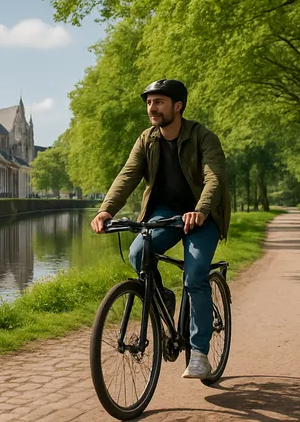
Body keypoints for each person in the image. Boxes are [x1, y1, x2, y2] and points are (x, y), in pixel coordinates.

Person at [91, 78, 231, 379]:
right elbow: (127, 175)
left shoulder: (204, 137)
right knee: (138, 253)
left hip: (202, 216)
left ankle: (200, 354)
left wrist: (201, 210)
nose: (151, 108)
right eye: (149, 102)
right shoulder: (147, 139)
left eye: (158, 102)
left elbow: (214, 179)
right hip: (165, 214)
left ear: (177, 106)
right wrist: (106, 210)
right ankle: (163, 297)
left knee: (194, 276)